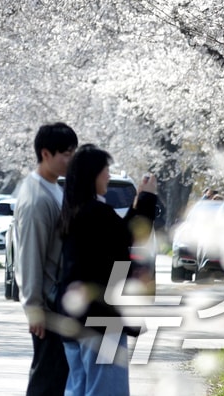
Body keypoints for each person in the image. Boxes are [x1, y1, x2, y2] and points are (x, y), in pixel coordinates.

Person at [55, 145, 159, 396]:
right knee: (107, 390)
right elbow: (130, 236)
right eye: (105, 170)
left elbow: (119, 234)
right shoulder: (97, 213)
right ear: (93, 174)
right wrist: (147, 199)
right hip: (102, 318)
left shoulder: (74, 212)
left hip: (73, 316)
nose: (109, 176)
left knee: (78, 388)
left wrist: (138, 202)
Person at [11, 121, 79, 396]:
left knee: (56, 378)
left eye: (73, 153)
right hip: (48, 306)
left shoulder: (53, 187)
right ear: (46, 154)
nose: (70, 160)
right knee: (47, 380)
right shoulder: (36, 198)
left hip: (57, 301)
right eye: (66, 154)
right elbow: (30, 256)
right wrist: (34, 308)